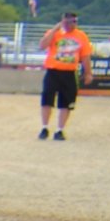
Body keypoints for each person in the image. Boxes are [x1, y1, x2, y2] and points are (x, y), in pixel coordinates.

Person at [38, 10, 94, 138]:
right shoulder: (54, 34)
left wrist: (88, 73)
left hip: (69, 72)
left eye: (74, 21)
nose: (71, 24)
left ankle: (59, 129)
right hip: (53, 70)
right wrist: (55, 29)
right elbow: (42, 45)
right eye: (68, 21)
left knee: (66, 102)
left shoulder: (81, 36)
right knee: (47, 100)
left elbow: (85, 56)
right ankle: (44, 127)